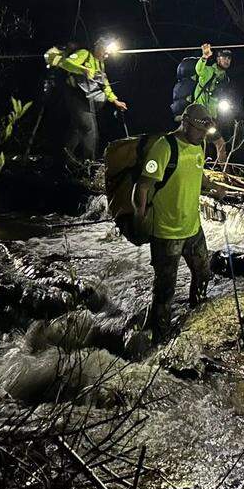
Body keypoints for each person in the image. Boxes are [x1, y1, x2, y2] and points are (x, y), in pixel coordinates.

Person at [133, 103, 224, 340]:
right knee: (165, 291)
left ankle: (196, 318)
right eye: (199, 131)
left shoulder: (200, 144)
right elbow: (143, 184)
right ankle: (159, 339)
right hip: (166, 232)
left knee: (203, 274)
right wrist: (140, 217)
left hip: (193, 228)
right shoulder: (164, 147)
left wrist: (213, 187)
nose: (203, 136)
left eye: (205, 132)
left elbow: (198, 171)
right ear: (185, 124)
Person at [56, 35, 128, 163]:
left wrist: (115, 100)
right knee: (89, 129)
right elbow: (65, 63)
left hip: (88, 102)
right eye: (105, 52)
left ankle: (64, 158)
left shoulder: (100, 64)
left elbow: (104, 84)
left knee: (78, 129)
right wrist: (81, 69)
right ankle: (89, 164)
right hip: (76, 98)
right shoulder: (84, 54)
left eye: (108, 54)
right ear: (98, 46)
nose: (106, 56)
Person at [194, 44, 232, 163]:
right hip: (199, 113)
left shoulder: (225, 77)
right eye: (224, 57)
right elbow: (199, 70)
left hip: (211, 116)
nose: (227, 60)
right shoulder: (209, 71)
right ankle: (200, 167)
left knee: (216, 142)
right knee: (214, 142)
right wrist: (204, 57)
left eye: (229, 58)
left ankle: (222, 171)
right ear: (218, 58)